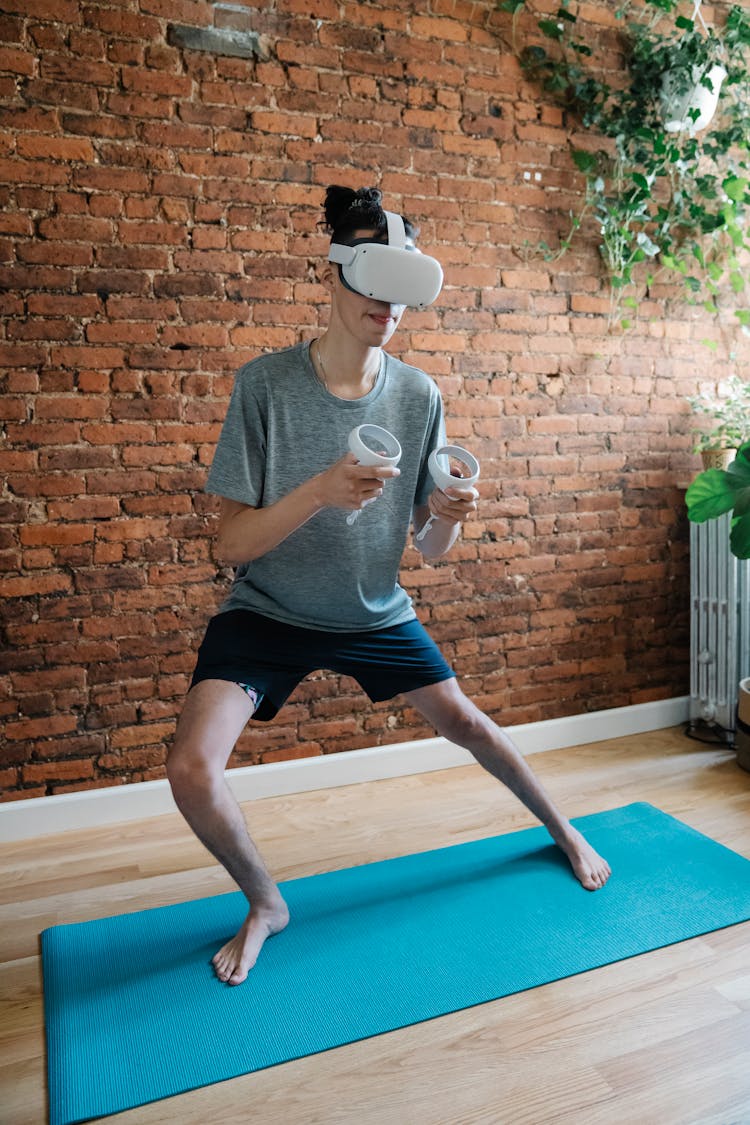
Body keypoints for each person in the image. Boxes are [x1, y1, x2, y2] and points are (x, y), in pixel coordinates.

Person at [166, 185, 611, 987]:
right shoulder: (264, 386)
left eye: (406, 282)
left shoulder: (419, 396)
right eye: (374, 275)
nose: (391, 303)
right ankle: (266, 902)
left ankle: (565, 829)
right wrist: (318, 492)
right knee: (193, 767)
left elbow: (430, 548)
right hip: (268, 610)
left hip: (373, 613)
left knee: (469, 723)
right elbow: (228, 543)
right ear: (332, 274)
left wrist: (448, 513)